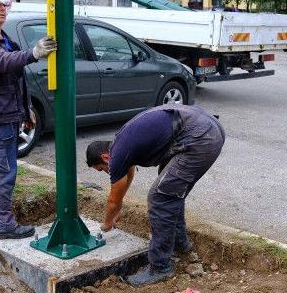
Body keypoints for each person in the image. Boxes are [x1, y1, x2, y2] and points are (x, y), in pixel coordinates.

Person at [86, 104, 224, 287]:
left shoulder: (117, 153)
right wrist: (119, 205)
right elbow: (127, 176)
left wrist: (107, 224)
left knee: (160, 197)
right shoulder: (122, 145)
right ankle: (180, 244)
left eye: (103, 169)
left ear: (105, 157)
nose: (107, 172)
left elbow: (112, 199)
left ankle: (160, 266)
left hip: (199, 136)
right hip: (205, 128)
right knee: (169, 189)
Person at [0, 0, 57, 239]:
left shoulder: (3, 38)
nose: (2, 9)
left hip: (6, 113)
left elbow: (17, 79)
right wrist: (33, 54)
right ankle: (2, 224)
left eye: (5, 5)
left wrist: (25, 108)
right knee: (3, 169)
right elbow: (0, 62)